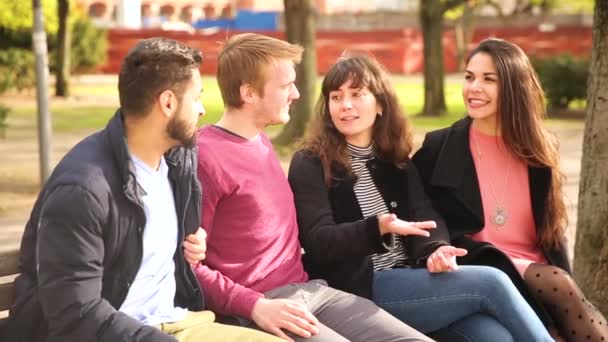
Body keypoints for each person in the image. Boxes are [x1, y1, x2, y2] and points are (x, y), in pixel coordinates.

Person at [4, 37, 280, 342]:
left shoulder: (178, 159)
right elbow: (75, 314)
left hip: (177, 320)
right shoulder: (83, 189)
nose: (202, 110)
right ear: (168, 103)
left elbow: (149, 242)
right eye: (197, 98)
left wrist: (190, 242)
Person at [287, 53, 554, 342]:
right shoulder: (310, 162)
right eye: (336, 97)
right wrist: (377, 227)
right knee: (492, 281)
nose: (346, 105)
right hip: (362, 288)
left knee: (494, 336)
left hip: (414, 281)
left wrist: (436, 249)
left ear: (380, 104)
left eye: (357, 94)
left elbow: (425, 213)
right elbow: (317, 241)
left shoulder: (393, 159)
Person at [194, 33, 432, 342]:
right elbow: (188, 267)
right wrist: (254, 306)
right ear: (249, 93)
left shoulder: (261, 142)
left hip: (311, 291)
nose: (295, 93)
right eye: (285, 86)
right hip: (262, 306)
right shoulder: (205, 157)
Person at [412, 38, 608, 342]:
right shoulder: (440, 147)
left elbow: (551, 232)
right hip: (483, 266)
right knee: (559, 286)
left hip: (538, 269)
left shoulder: (538, 149)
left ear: (514, 87)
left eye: (489, 79)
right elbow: (417, 210)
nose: (474, 87)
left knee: (561, 304)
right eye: (469, 76)